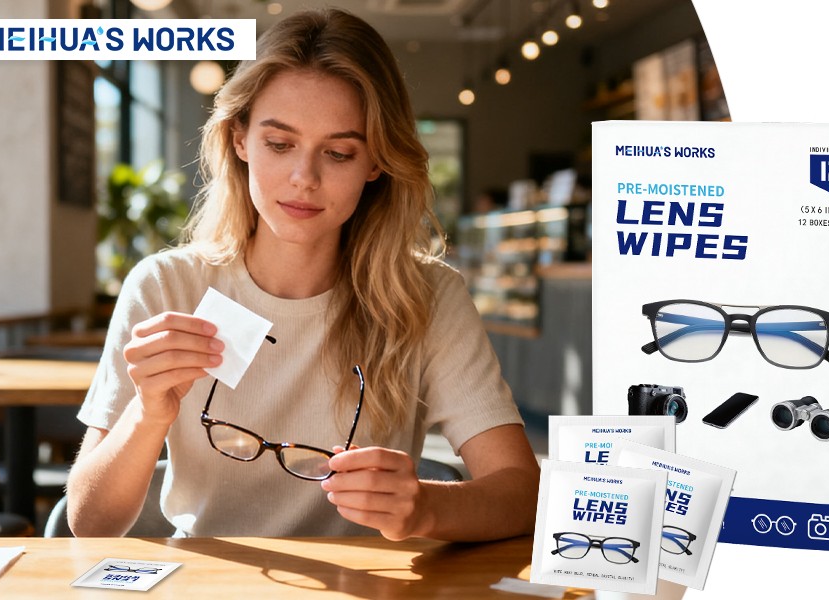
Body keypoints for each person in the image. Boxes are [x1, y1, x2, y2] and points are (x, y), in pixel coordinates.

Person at [66, 8, 539, 541]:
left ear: (376, 161)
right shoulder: (166, 286)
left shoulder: (428, 298)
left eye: (338, 153)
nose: (303, 178)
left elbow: (521, 492)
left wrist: (426, 508)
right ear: (240, 139)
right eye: (280, 144)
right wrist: (149, 414)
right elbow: (89, 524)